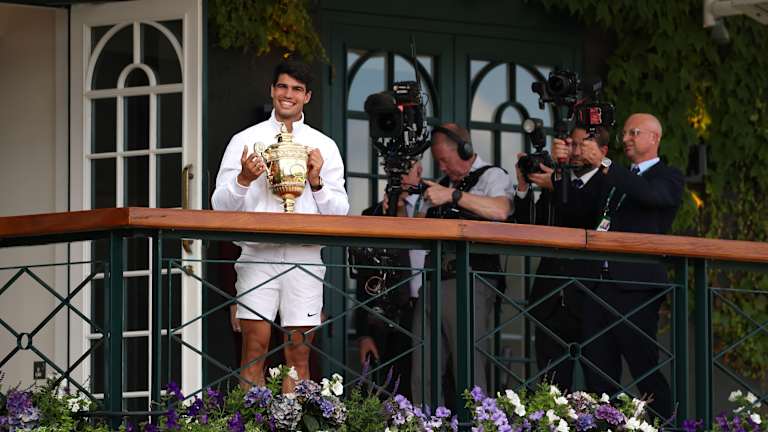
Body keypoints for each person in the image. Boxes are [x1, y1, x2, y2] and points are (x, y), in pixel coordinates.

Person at [211, 61, 349, 391]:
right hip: (258, 257)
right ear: (272, 90)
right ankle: (253, 425)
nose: (289, 95)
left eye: (297, 89)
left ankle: (293, 424)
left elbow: (340, 212)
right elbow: (220, 206)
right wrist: (244, 179)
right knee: (253, 351)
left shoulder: (324, 145)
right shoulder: (245, 140)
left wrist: (316, 181)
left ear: (307, 96)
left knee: (298, 354)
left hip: (304, 258)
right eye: (283, 87)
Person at [552, 113, 683, 419]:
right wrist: (560, 171)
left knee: (644, 369)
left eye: (633, 133)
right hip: (598, 286)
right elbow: (574, 211)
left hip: (636, 288)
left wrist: (605, 165)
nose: (625, 139)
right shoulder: (613, 177)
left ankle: (668, 425)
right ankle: (605, 426)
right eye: (624, 133)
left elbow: (650, 196)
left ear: (654, 138)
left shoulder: (668, 176)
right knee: (598, 372)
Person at [413, 123, 515, 407]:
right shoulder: (441, 185)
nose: (443, 167)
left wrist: (454, 196)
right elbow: (415, 231)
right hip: (432, 279)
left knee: (468, 365)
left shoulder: (492, 175)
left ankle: (478, 422)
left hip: (470, 279)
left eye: (446, 159)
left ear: (465, 149)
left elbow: (501, 210)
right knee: (424, 365)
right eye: (439, 161)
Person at [513, 126, 609, 391]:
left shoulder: (607, 180)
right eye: (572, 145)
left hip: (592, 296)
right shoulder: (557, 180)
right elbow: (530, 226)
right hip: (551, 297)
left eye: (582, 145)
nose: (575, 152)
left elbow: (588, 213)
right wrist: (523, 186)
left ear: (603, 151)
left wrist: (556, 183)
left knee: (599, 383)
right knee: (551, 385)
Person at [351, 160, 427, 399]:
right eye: (398, 171)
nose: (403, 177)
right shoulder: (372, 215)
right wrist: (363, 333)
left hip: (430, 307)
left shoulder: (435, 206)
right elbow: (365, 280)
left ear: (420, 171)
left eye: (408, 169)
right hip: (392, 318)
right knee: (390, 390)